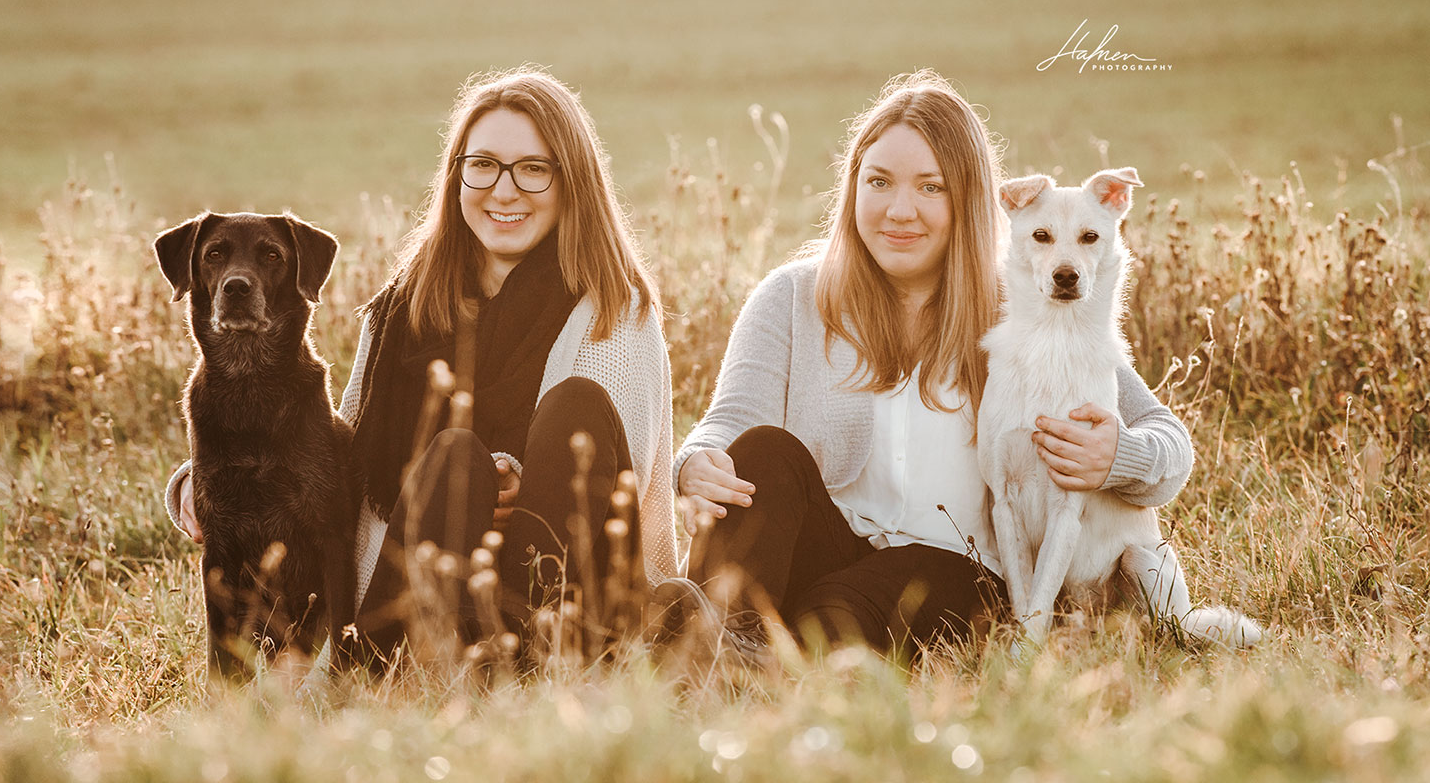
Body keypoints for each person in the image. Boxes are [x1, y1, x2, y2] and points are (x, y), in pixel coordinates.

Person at [165, 66, 678, 662]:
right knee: (454, 456)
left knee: (570, 409)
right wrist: (202, 477)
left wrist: (512, 471)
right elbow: (338, 452)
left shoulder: (614, 305)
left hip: (553, 587)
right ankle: (387, 670)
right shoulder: (405, 305)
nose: (503, 190)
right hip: (413, 596)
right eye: (482, 164)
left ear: (573, 182)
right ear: (456, 175)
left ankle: (536, 663)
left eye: (533, 169)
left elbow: (623, 471)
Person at [673, 70, 1194, 654]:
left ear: (969, 200)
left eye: (930, 187)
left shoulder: (1024, 304)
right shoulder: (791, 296)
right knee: (764, 451)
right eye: (879, 182)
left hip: (957, 569)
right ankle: (717, 642)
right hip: (833, 542)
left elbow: (1168, 444)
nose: (900, 210)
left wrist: (1117, 455)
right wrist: (694, 461)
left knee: (838, 611)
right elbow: (730, 422)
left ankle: (778, 653)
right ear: (853, 191)